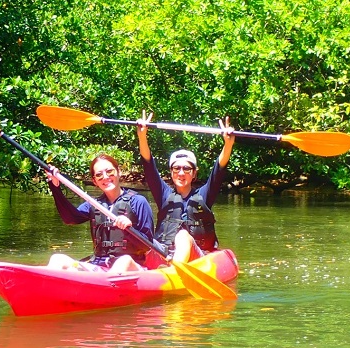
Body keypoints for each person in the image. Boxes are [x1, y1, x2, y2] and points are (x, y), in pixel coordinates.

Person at [136, 113, 235, 264]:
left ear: (194, 173)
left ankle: (175, 272)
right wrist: (142, 136)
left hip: (196, 259)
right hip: (165, 254)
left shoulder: (204, 195)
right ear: (171, 172)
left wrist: (228, 144)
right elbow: (149, 166)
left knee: (182, 236)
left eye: (186, 169)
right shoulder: (164, 195)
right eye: (176, 169)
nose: (181, 173)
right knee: (142, 241)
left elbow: (219, 170)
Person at [45, 153, 155, 273]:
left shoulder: (138, 201)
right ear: (95, 181)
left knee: (124, 261)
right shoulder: (94, 204)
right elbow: (70, 218)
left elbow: (147, 246)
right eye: (99, 175)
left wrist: (129, 229)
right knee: (57, 259)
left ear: (118, 172)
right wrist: (54, 186)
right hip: (99, 264)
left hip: (131, 265)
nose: (105, 177)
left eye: (110, 172)